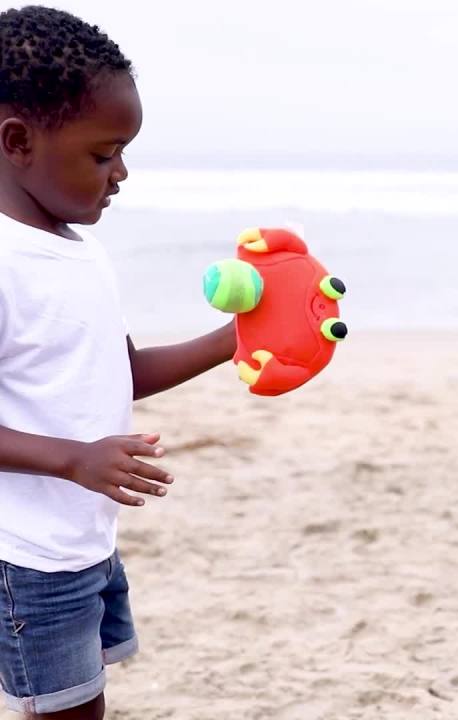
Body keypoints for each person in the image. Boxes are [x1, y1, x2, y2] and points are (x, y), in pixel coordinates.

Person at [0, 7, 236, 718]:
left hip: (85, 538)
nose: (121, 173)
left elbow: (117, 371)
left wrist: (230, 342)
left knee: (79, 701)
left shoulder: (81, 250)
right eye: (103, 155)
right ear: (18, 141)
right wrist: (75, 458)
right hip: (27, 558)